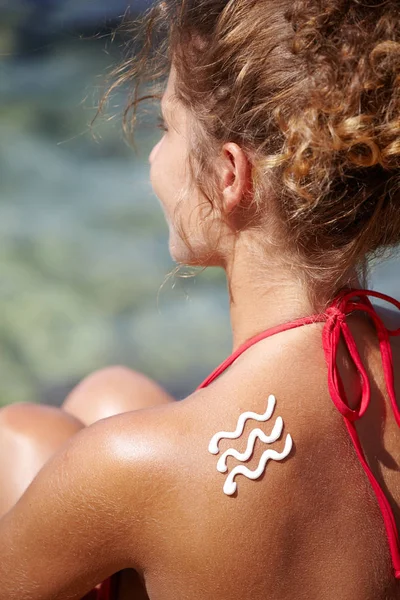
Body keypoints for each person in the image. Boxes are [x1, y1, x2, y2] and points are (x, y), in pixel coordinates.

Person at [0, 0, 400, 598]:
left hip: (165, 486)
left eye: (165, 127)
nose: (155, 157)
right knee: (112, 393)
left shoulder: (122, 467)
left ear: (229, 174)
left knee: (21, 434)